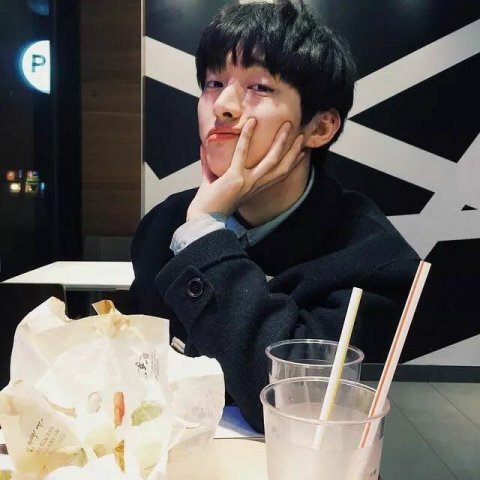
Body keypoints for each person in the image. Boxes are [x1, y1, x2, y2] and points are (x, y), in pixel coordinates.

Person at [128, 0, 419, 432]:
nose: (223, 106)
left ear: (319, 128)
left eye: (259, 87)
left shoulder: (373, 259)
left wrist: (204, 234)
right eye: (213, 83)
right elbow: (142, 370)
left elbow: (292, 405)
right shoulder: (164, 225)